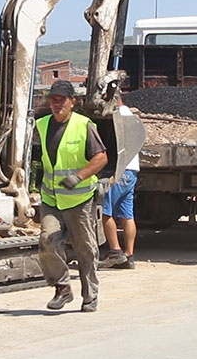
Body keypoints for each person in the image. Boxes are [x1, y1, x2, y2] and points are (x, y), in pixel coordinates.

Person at [35, 80, 108, 312]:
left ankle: (90, 295)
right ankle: (63, 288)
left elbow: (101, 158)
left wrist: (78, 176)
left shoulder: (84, 125)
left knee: (85, 248)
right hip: (52, 198)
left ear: (73, 102)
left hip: (79, 199)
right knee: (48, 240)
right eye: (53, 100)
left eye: (62, 100)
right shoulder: (42, 125)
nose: (57, 104)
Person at [98, 101, 141, 270]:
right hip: (131, 171)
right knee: (127, 215)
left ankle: (115, 252)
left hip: (119, 169)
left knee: (105, 211)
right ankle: (129, 255)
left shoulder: (115, 114)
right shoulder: (130, 114)